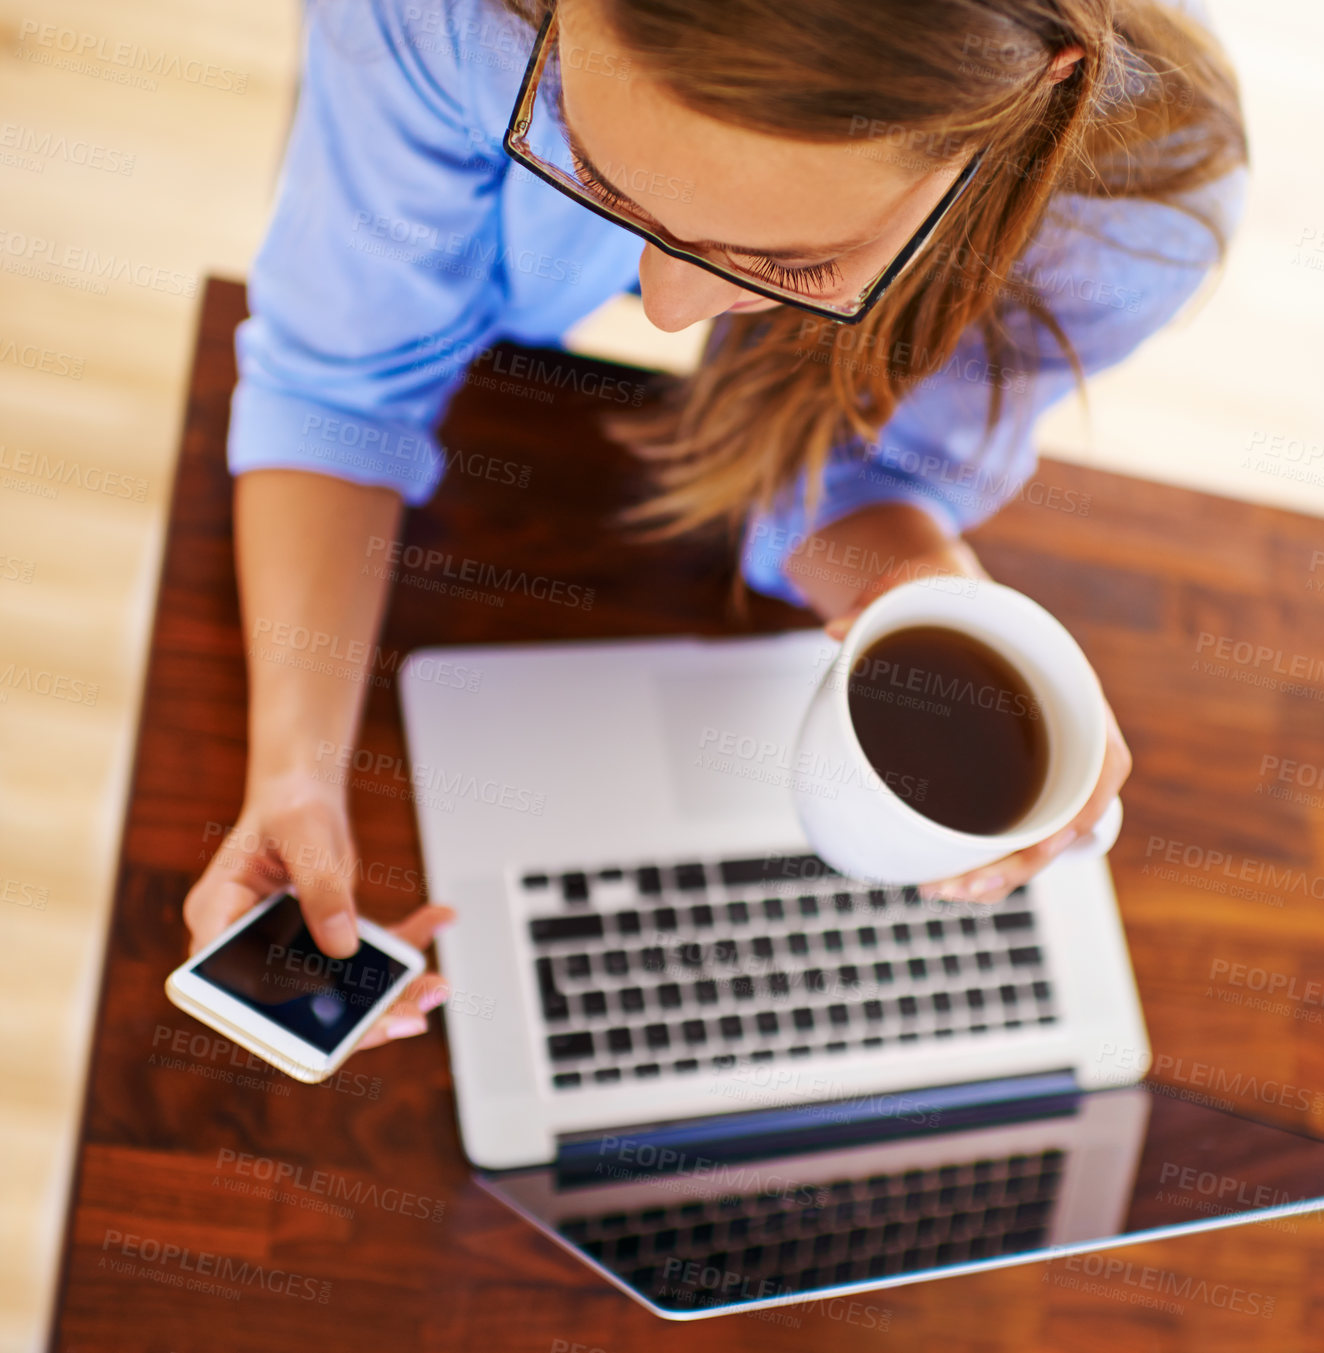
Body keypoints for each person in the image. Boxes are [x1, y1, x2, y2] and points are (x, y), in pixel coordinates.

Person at [184, 0, 1249, 1052]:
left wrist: (931, 597)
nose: (666, 306)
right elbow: (344, 385)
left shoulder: (1130, 206)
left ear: (1032, 98)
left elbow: (860, 471)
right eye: (599, 181)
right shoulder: (445, 18)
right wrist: (293, 773)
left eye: (785, 263)